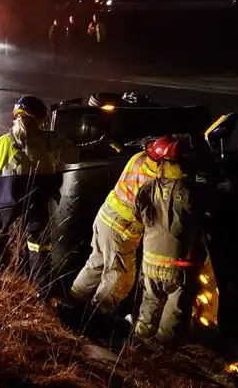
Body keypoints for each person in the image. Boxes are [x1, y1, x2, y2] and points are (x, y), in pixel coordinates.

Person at [68, 135, 188, 316]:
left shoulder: (139, 157)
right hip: (121, 228)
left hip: (105, 218)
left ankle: (73, 300)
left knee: (97, 262)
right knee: (119, 276)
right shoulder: (155, 175)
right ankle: (98, 316)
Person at [0, 96, 75, 297]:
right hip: (37, 198)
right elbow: (74, 156)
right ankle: (42, 290)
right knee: (38, 244)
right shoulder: (51, 140)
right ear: (41, 119)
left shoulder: (2, 142)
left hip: (6, 197)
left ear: (15, 117)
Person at [132, 134, 206, 344]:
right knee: (174, 309)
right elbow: (200, 214)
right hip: (177, 264)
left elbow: (139, 214)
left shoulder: (148, 187)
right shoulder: (189, 190)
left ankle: (140, 345)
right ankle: (163, 352)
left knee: (150, 301)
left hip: (150, 260)